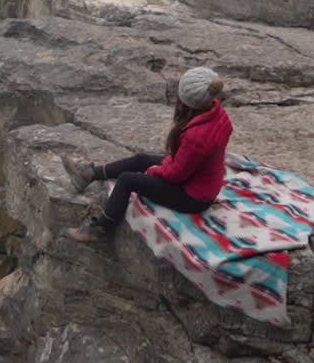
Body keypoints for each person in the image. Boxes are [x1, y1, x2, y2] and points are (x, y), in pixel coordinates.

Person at [63, 66, 233, 243]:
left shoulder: (196, 137)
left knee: (127, 180)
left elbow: (177, 175)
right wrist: (165, 165)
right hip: (201, 181)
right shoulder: (219, 114)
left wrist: (154, 171)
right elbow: (188, 162)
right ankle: (90, 174)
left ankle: (101, 229)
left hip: (194, 197)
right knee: (141, 159)